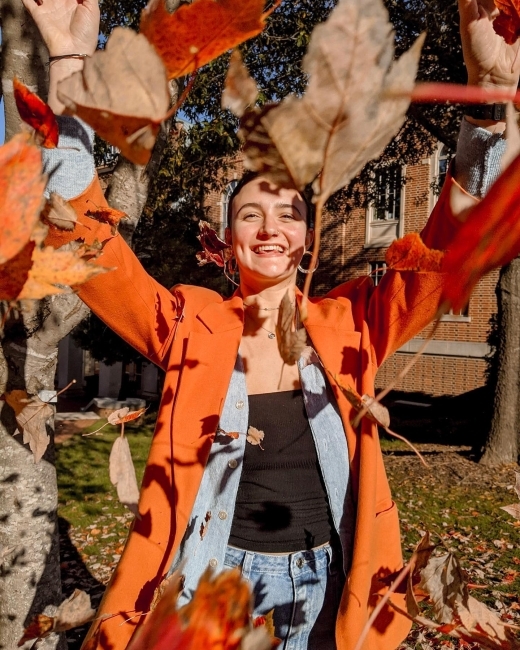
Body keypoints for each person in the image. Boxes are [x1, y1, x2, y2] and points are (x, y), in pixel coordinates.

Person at [22, 0, 520, 647]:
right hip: (212, 584)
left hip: (335, 587)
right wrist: (69, 62)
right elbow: (91, 248)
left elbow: (451, 247)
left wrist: (489, 95)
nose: (270, 227)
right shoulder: (189, 322)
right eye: (251, 214)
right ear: (226, 243)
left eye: (287, 212)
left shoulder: (351, 323)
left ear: (306, 240)